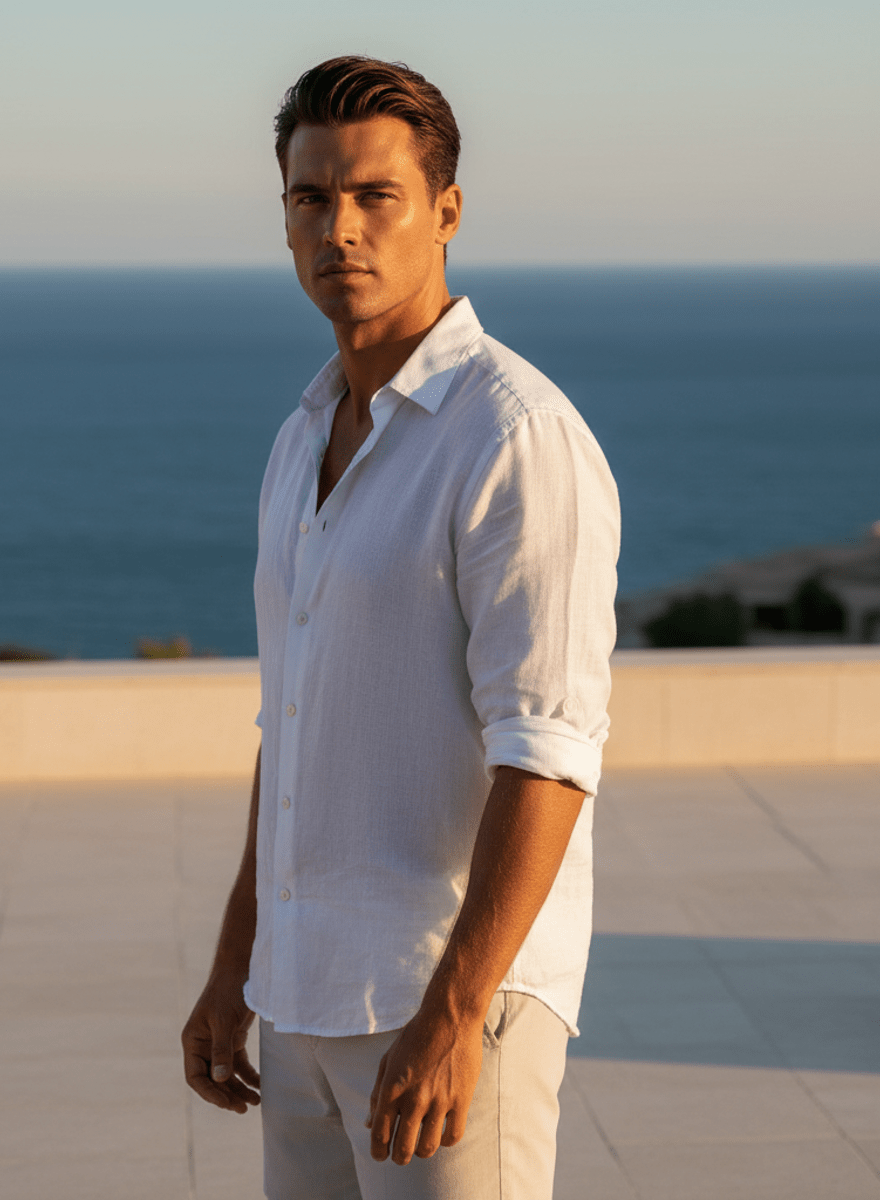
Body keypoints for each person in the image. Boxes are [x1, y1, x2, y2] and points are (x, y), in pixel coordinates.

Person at [181, 55, 619, 1199]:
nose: (341, 228)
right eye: (310, 198)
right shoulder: (300, 439)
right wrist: (237, 965)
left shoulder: (514, 437)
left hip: (445, 1004)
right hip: (302, 992)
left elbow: (551, 754)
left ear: (447, 213)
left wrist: (456, 1014)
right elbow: (293, 723)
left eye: (376, 195)